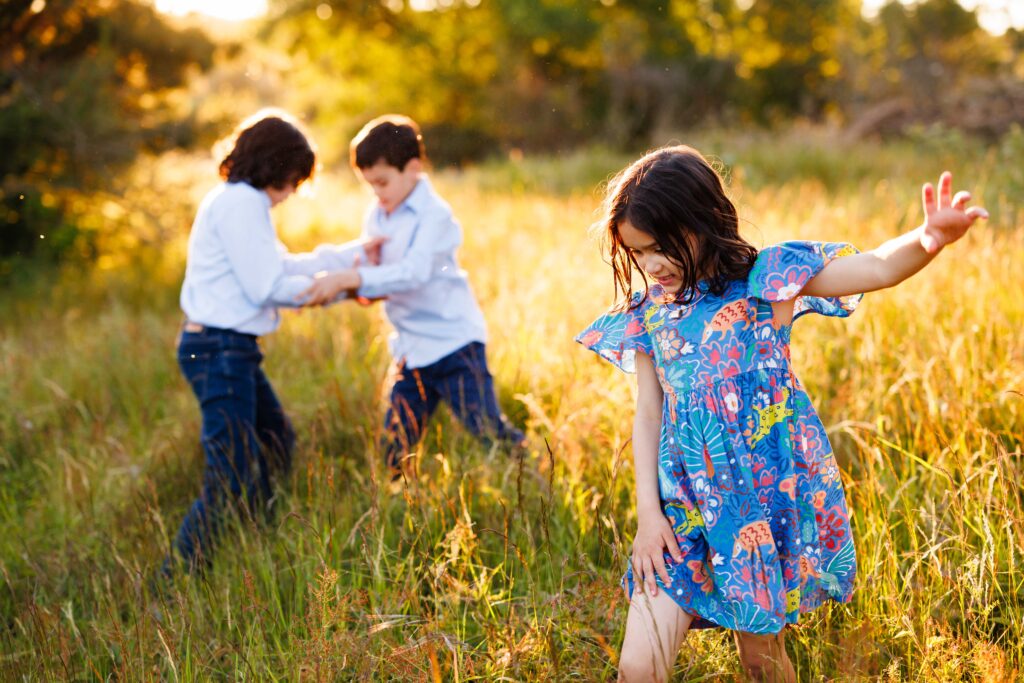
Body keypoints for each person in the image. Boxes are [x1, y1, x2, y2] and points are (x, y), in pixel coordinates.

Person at [575, 146, 987, 682]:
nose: (651, 265)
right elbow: (648, 416)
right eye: (639, 253)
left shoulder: (767, 279)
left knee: (762, 662)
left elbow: (879, 268)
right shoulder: (650, 313)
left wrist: (929, 239)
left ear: (701, 222)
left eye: (661, 248)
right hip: (682, 512)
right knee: (639, 666)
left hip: (758, 509)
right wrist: (648, 516)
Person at [169, 109, 381, 574]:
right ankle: (176, 579)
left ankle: (264, 534)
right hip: (219, 350)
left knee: (277, 439)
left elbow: (280, 265)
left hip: (229, 350)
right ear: (273, 166)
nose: (290, 193)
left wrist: (349, 257)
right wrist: (343, 288)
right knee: (229, 473)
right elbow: (267, 287)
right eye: (290, 180)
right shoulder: (242, 204)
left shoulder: (236, 201)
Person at [302, 114, 525, 478]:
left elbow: (414, 273)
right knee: (397, 437)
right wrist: (350, 285)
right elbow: (378, 274)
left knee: (486, 428)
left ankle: (526, 471)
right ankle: (395, 495)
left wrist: (353, 277)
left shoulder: (434, 215)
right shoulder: (378, 214)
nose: (377, 193)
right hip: (411, 347)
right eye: (370, 185)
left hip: (455, 344)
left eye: (383, 182)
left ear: (413, 168)